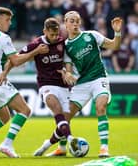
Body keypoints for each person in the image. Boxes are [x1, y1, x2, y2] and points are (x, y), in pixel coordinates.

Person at [36, 11, 123, 158]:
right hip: (81, 83)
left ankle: (104, 149)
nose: (75, 23)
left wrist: (117, 33)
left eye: (77, 21)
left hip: (98, 78)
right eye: (72, 21)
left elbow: (114, 46)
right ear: (65, 23)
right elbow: (69, 71)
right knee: (65, 116)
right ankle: (61, 148)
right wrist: (68, 75)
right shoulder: (66, 46)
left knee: (100, 107)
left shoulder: (91, 35)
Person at [0, 7, 49, 158]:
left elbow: (4, 59)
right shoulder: (3, 37)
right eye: (7, 20)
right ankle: (7, 144)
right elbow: (16, 61)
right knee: (25, 110)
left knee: (5, 117)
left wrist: (5, 71)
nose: (10, 23)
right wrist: (36, 51)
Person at [18, 17, 77, 157]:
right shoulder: (36, 44)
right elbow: (16, 59)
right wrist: (35, 52)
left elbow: (68, 61)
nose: (55, 37)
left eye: (57, 34)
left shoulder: (62, 41)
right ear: (45, 31)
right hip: (46, 85)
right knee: (57, 110)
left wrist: (66, 72)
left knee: (64, 122)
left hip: (63, 86)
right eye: (52, 35)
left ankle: (48, 145)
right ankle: (71, 140)